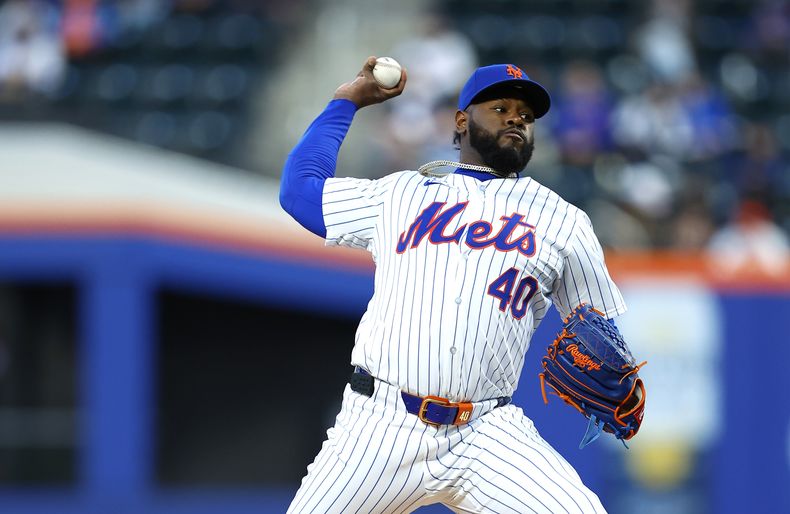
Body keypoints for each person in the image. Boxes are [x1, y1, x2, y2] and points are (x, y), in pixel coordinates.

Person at [280, 56, 627, 513]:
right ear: (461, 121)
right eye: (500, 109)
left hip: (486, 430)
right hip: (380, 423)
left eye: (526, 116)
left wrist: (613, 365)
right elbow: (300, 191)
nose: (516, 120)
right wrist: (346, 101)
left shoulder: (564, 221)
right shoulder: (400, 193)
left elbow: (598, 328)